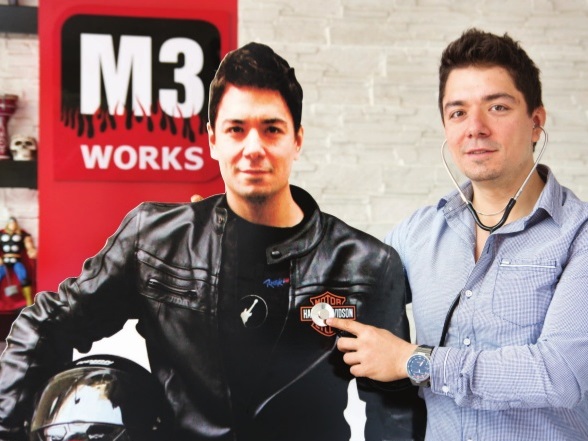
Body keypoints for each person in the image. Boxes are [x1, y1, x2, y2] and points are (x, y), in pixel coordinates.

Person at [0, 42, 425, 441]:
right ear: (212, 139)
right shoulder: (154, 240)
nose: (253, 147)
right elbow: (47, 324)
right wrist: (7, 426)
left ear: (297, 139)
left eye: (272, 129)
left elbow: (394, 412)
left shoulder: (365, 265)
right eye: (236, 129)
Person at [327, 28, 588, 440]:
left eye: (497, 107)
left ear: (536, 123)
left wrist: (413, 361)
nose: (475, 127)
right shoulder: (417, 234)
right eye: (458, 112)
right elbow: (343, 298)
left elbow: (560, 374)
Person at [0, 217, 36, 306]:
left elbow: (29, 245)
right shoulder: (1, 234)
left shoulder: (22, 234)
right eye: (11, 223)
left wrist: (31, 250)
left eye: (14, 223)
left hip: (16, 260)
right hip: (4, 261)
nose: (12, 225)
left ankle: (29, 302)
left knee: (24, 278)